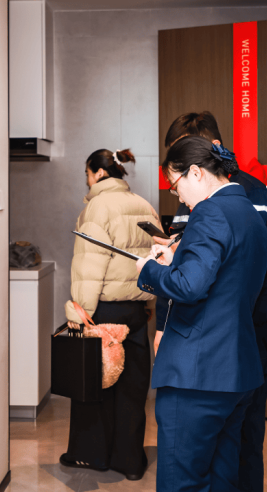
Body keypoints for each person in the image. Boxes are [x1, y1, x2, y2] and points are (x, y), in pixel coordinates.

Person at [154, 111, 267, 492]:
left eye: (175, 184)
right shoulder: (245, 207)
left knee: (184, 478)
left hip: (202, 365)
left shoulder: (211, 209)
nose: (177, 195)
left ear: (197, 169)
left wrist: (152, 270)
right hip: (237, 361)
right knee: (225, 473)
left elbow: (192, 285)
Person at [60, 148, 160, 481]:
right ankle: (130, 461)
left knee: (95, 384)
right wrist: (147, 305)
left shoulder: (96, 208)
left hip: (103, 309)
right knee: (133, 387)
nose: (87, 181)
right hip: (135, 311)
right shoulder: (144, 205)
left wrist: (80, 312)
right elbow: (156, 259)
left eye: (87, 174)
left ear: (99, 173)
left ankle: (92, 456)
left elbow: (90, 267)